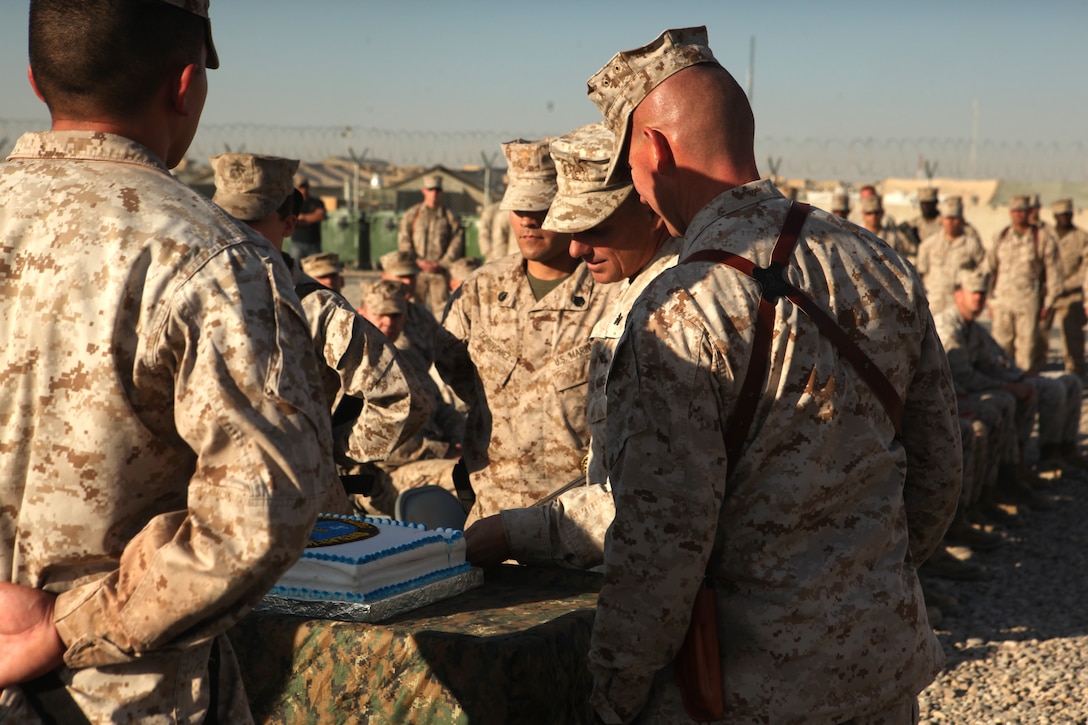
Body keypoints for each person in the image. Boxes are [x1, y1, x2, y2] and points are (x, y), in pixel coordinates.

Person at [583, 27, 961, 723]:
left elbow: (661, 548)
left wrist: (613, 692)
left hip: (745, 693)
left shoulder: (679, 310)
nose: (637, 191)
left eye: (628, 173)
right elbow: (936, 477)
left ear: (655, 151)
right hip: (881, 678)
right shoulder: (880, 262)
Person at [0, 3, 336, 722]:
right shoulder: (215, 260)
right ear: (185, 86)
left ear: (35, 80)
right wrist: (66, 624)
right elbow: (259, 512)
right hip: (119, 697)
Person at [463, 122, 681, 570]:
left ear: (651, 209)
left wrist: (516, 533)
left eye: (596, 226)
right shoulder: (636, 290)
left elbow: (653, 492)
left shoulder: (674, 308)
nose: (577, 247)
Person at [210, 152, 428, 477]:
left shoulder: (317, 309)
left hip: (295, 506)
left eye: (252, 221)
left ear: (289, 224)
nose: (236, 234)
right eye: (225, 220)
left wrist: (329, 451)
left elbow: (402, 399)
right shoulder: (194, 296)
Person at [434, 137, 617, 522]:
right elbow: (453, 367)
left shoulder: (610, 295)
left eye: (540, 207)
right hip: (490, 514)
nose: (528, 220)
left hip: (575, 521)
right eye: (519, 208)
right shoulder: (480, 290)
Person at [356, 279, 464, 515]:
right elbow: (376, 445)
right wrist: (444, 451)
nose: (388, 323)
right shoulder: (353, 369)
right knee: (467, 477)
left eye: (396, 315)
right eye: (380, 314)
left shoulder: (409, 360)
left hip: (431, 460)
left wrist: (462, 441)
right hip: (381, 478)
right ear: (361, 313)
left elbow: (442, 410)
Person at [988, 194, 1062, 373]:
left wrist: (1049, 302)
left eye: (1022, 211)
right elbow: (990, 269)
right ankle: (1004, 389)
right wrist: (990, 300)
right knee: (1000, 349)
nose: (1018, 215)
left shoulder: (1042, 238)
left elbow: (1054, 273)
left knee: (1026, 351)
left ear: (1030, 212)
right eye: (1015, 211)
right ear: (1010, 213)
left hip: (1028, 303)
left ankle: (1026, 390)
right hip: (1003, 303)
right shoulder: (1001, 237)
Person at [397, 173, 465, 315]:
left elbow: (457, 241)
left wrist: (442, 263)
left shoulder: (449, 216)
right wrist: (417, 261)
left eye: (437, 190)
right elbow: (404, 240)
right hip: (417, 272)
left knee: (442, 311)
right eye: (431, 189)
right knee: (414, 310)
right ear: (424, 191)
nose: (434, 193)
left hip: (439, 273)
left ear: (442, 192)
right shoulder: (412, 214)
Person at [915, 195, 988, 316]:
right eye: (947, 218)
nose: (950, 222)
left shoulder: (972, 246)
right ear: (941, 220)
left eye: (954, 218)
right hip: (934, 304)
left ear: (962, 220)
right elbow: (921, 274)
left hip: (960, 307)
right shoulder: (928, 245)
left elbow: (983, 271)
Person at [1043, 198, 1088, 375]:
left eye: (1067, 215)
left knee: (1073, 339)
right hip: (1047, 295)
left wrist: (1063, 285)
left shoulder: (1081, 238)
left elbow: (1085, 270)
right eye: (1061, 215)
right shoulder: (1046, 236)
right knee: (1037, 337)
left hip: (1072, 296)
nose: (1064, 218)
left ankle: (1076, 373)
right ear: (1055, 216)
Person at [289, 174, 326, 260]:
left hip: (314, 243)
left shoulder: (316, 202)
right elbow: (292, 219)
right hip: (297, 243)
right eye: (301, 187)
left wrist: (303, 218)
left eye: (305, 187)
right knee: (295, 270)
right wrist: (310, 218)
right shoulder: (292, 203)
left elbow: (320, 215)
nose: (303, 190)